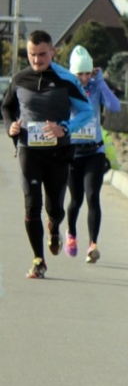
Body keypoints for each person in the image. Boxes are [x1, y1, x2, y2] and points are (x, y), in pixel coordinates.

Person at [2, 30, 93, 279]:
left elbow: (87, 111)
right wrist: (11, 127)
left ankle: (54, 229)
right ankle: (38, 260)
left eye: (42, 54)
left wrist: (65, 128)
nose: (37, 60)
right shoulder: (20, 79)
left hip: (58, 153)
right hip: (28, 150)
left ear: (52, 51)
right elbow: (7, 107)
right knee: (32, 205)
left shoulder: (66, 80)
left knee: (56, 209)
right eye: (32, 54)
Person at [65, 45, 121, 264]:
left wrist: (101, 82)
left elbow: (115, 106)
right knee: (76, 199)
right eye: (80, 74)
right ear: (73, 73)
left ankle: (93, 245)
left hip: (95, 151)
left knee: (92, 196)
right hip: (73, 152)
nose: (85, 78)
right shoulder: (68, 88)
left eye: (88, 73)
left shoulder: (96, 86)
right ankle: (71, 234)